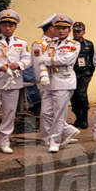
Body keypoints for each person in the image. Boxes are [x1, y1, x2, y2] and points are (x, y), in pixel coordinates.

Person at [0, 10, 32, 155]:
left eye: (11, 25)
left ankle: (4, 142)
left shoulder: (21, 43)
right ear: (0, 27)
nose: (7, 28)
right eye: (5, 26)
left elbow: (28, 59)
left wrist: (19, 64)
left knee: (9, 113)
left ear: (15, 27)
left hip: (13, 82)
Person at [41, 14, 81, 153]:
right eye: (58, 28)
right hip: (50, 80)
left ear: (69, 30)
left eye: (64, 28)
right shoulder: (50, 44)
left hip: (64, 80)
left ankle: (55, 141)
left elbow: (65, 60)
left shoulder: (74, 44)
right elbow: (43, 61)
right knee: (46, 112)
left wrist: (46, 60)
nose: (61, 31)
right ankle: (68, 130)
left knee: (59, 113)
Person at [31, 14, 56, 144]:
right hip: (45, 81)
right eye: (56, 27)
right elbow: (37, 64)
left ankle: (58, 134)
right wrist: (41, 80)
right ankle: (46, 136)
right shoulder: (39, 44)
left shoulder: (58, 43)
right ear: (51, 28)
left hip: (58, 81)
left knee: (57, 109)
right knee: (46, 110)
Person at [71, 21, 95, 129]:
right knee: (73, 97)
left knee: (82, 95)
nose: (76, 33)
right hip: (71, 74)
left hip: (84, 74)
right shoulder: (69, 44)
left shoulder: (88, 45)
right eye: (75, 31)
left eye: (79, 31)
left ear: (83, 32)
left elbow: (92, 59)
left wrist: (91, 73)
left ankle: (84, 117)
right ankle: (78, 116)